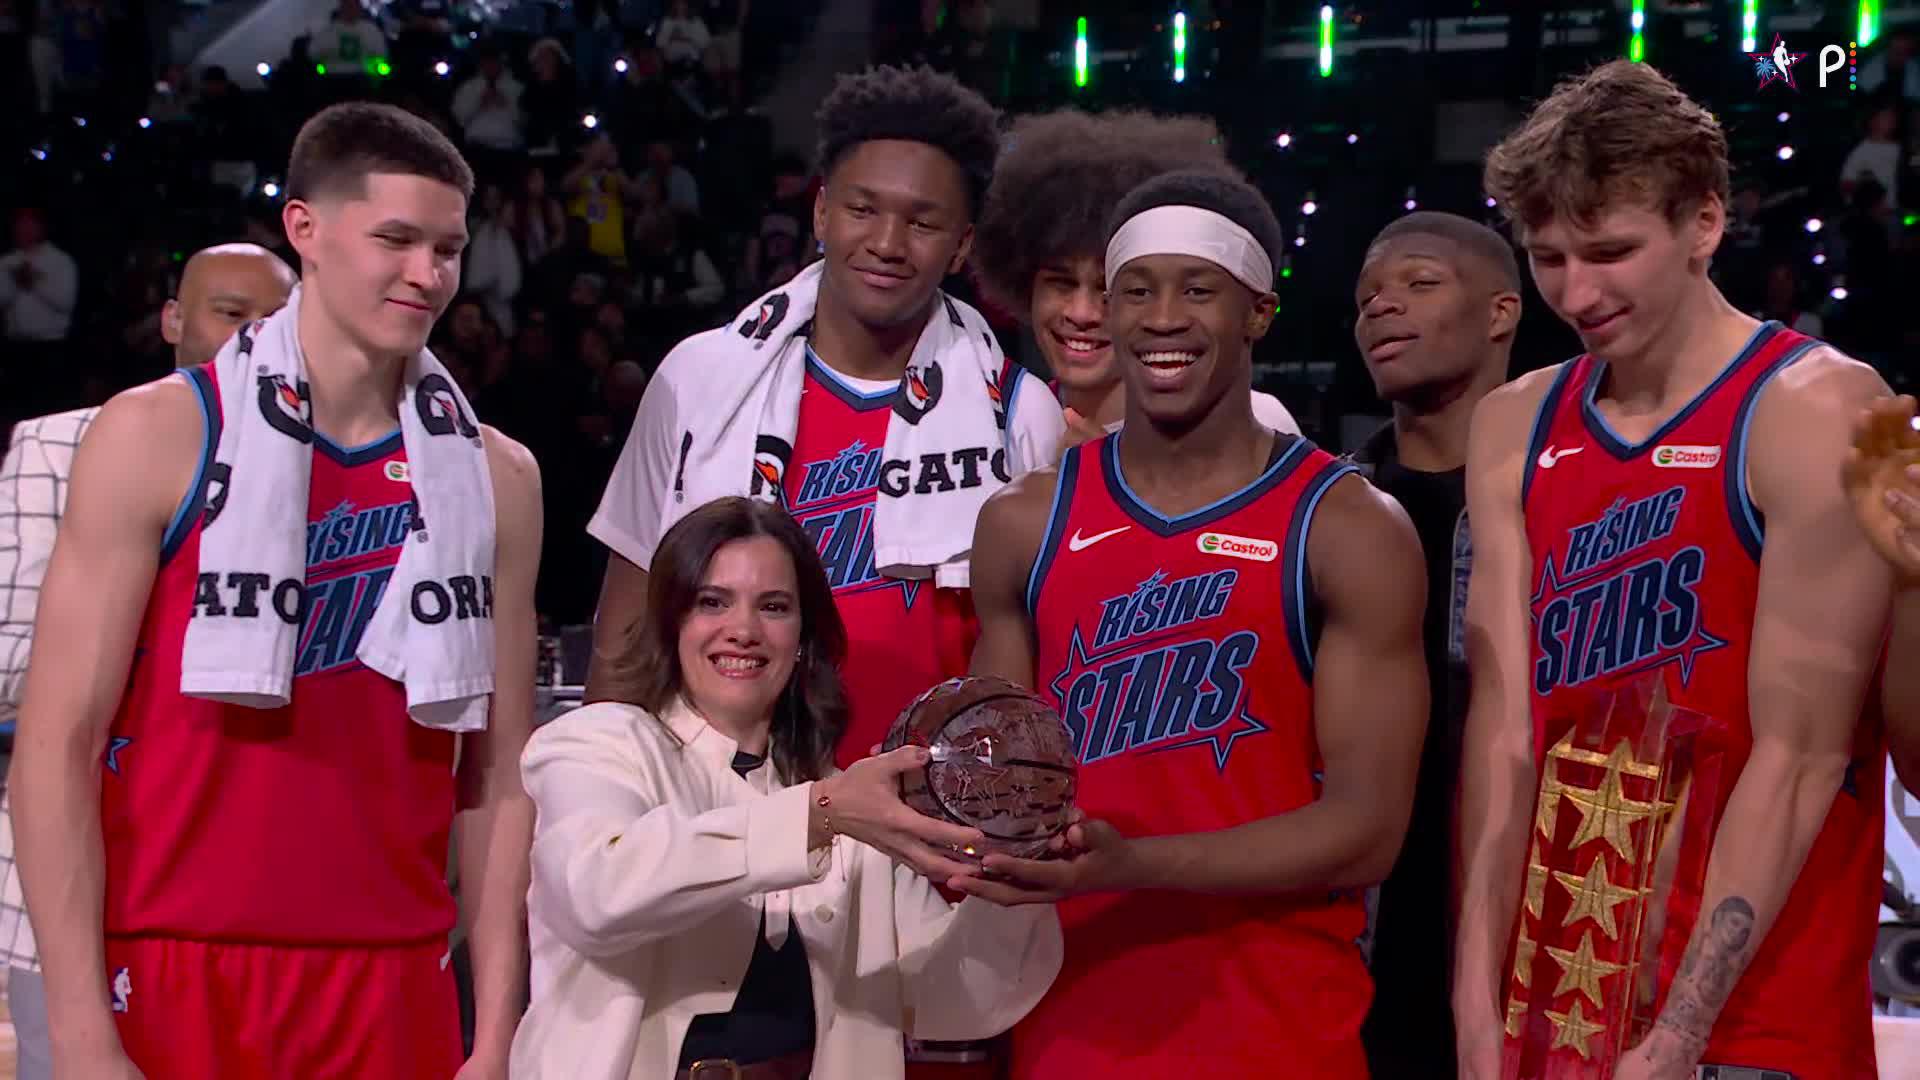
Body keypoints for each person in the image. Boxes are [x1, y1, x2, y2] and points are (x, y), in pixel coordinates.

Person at [10, 102, 542, 1079]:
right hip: (175, 960)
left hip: (393, 972)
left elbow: (499, 772)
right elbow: (55, 746)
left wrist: (500, 1029)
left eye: (448, 249)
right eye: (395, 240)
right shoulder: (159, 435)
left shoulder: (496, 475)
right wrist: (80, 1030)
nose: (427, 275)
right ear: (305, 228)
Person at [1454, 61, 1892, 1080]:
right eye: (1550, 257)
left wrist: (1680, 1034)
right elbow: (1504, 741)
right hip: (1556, 1008)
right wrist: (1475, 1009)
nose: (1576, 292)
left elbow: (1802, 755)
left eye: (1612, 252)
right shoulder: (1514, 424)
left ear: (1704, 224)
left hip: (1758, 1020)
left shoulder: (1815, 411)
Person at [963, 169, 1431, 1078]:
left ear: (1258, 312)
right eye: (1137, 291)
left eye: (1198, 291)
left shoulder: (1347, 527)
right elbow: (1003, 785)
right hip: (1070, 1024)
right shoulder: (1023, 523)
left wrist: (1130, 864)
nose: (1163, 318)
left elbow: (1368, 829)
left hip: (1278, 1027)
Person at [585, 64, 1065, 769]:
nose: (887, 243)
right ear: (820, 213)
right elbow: (624, 630)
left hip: (931, 805)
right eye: (863, 210)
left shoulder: (1017, 412)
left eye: (922, 222)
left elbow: (1039, 659)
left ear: (962, 245)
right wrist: (601, 793)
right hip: (718, 801)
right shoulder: (699, 378)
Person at [509, 495, 1060, 1079]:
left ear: (802, 638)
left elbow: (956, 1002)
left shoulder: (844, 801)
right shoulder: (595, 743)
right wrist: (818, 816)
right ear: (671, 622)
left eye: (773, 607)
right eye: (712, 602)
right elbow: (600, 893)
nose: (743, 631)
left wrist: (1013, 866)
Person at [0, 241, 295, 1080]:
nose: (252, 335)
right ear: (172, 320)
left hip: (265, 897)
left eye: (275, 319)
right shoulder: (63, 447)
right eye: (229, 314)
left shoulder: (334, 463)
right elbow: (11, 664)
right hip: (88, 897)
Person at [1348, 210, 1521, 1079]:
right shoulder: (1326, 509)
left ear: (1501, 312)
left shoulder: (1570, 497)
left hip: (1526, 920)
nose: (1382, 307)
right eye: (1367, 297)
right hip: (1363, 938)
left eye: (1418, 284)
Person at [971, 107, 1299, 449]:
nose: (1081, 313)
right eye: (1062, 283)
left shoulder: (1256, 419)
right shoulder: (1005, 428)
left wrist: (1112, 475)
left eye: (1108, 289)